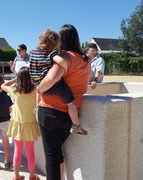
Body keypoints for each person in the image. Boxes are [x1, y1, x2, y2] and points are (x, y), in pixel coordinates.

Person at [36, 24, 91, 180]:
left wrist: (39, 89)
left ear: (61, 39)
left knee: (51, 155)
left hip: (50, 111)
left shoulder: (65, 57)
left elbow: (52, 78)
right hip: (70, 115)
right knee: (56, 150)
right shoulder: (85, 61)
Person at [29, 29, 87, 135]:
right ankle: (76, 125)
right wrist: (66, 67)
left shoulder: (32, 52)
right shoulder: (52, 54)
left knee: (39, 91)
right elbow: (56, 71)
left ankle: (36, 108)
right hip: (53, 90)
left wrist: (39, 88)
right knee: (71, 102)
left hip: (37, 82)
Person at [1, 67, 40, 180]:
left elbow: (3, 85)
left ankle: (17, 176)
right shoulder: (35, 90)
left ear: (19, 78)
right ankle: (32, 176)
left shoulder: (14, 90)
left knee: (17, 150)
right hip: (30, 123)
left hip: (18, 124)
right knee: (30, 152)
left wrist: (15, 79)